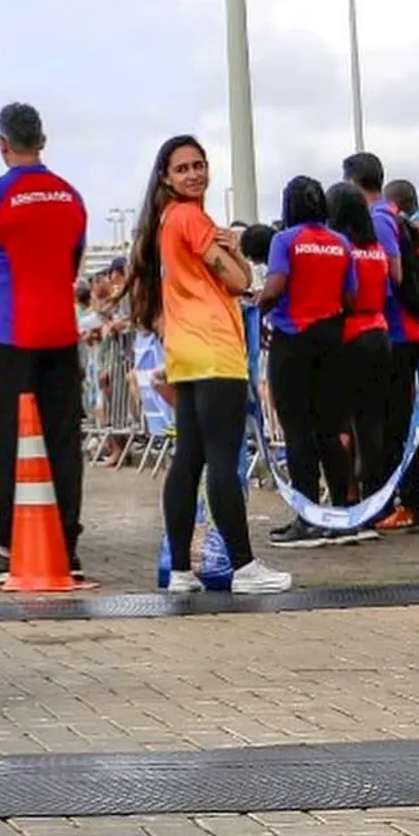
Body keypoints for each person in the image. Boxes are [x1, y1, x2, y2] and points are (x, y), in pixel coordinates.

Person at [127, 137, 290, 594]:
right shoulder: (193, 219)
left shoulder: (164, 222)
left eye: (199, 165)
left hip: (184, 350)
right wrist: (235, 249)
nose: (194, 174)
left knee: (189, 458)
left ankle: (181, 569)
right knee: (221, 457)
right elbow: (239, 281)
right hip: (215, 348)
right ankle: (243, 566)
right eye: (183, 169)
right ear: (166, 177)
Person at [0, 102, 88, 584]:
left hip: (6, 336)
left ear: (2, 144)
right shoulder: (71, 196)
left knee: (4, 442)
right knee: (63, 442)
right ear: (44, 140)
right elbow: (72, 262)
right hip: (60, 335)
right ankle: (67, 543)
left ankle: (11, 541)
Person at [256, 176, 354, 545]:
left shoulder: (285, 240)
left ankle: (307, 515)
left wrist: (261, 309)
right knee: (329, 428)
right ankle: (341, 513)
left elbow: (277, 284)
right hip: (332, 339)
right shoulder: (340, 242)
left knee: (297, 429)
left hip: (292, 340)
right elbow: (351, 293)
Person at [344, 151, 419, 533]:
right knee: (389, 421)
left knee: (392, 423)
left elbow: (391, 274)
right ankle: (398, 501)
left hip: (394, 332)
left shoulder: (377, 220)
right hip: (399, 331)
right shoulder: (392, 215)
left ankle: (405, 503)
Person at [329, 180, 393, 524]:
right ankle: (377, 498)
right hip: (380, 332)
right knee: (372, 424)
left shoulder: (341, 249)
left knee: (342, 422)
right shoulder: (376, 250)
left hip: (349, 333)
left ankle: (348, 496)